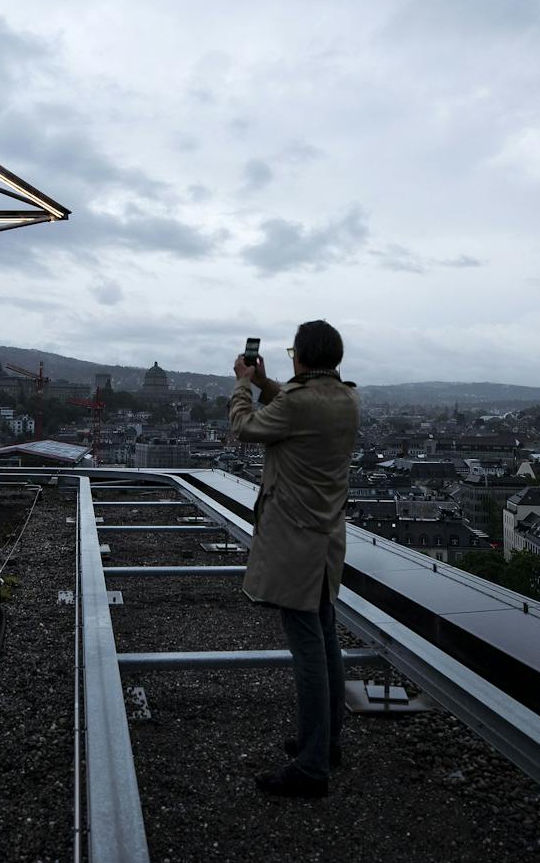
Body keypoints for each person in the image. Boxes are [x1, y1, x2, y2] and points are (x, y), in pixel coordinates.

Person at [228, 319, 360, 798]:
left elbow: (244, 428)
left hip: (294, 542)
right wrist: (266, 383)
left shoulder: (298, 404)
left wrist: (244, 385)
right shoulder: (346, 399)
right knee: (325, 640)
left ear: (300, 357)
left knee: (307, 650)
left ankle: (310, 769)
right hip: (326, 541)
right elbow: (302, 404)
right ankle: (326, 743)